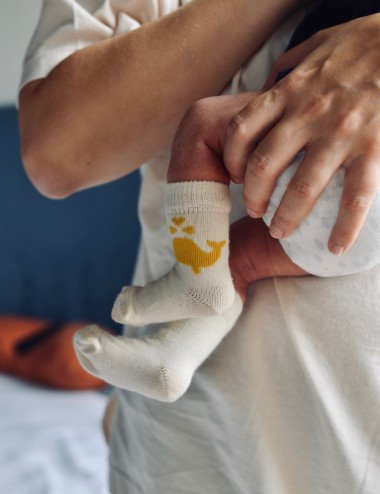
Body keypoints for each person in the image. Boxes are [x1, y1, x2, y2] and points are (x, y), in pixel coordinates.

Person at [18, 1, 380, 492]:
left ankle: (193, 289)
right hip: (352, 232)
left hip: (308, 189)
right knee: (246, 259)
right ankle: (176, 349)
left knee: (208, 130)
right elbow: (56, 151)